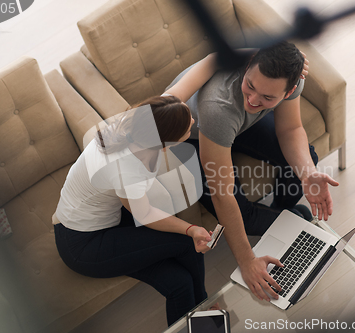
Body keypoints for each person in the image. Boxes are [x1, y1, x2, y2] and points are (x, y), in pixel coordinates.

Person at [52, 53, 219, 326]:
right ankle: (204, 307)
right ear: (165, 142)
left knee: (178, 283)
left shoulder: (140, 122)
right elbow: (144, 213)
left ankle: (200, 309)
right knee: (187, 243)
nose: (192, 123)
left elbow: (182, 90)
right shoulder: (126, 166)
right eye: (187, 128)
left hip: (106, 220)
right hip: (83, 244)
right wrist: (191, 230)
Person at [167, 41, 339, 303]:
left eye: (269, 97)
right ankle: (291, 219)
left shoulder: (292, 78)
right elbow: (223, 194)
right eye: (250, 85)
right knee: (241, 214)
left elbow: (290, 130)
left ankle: (284, 213)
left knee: (307, 163)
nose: (254, 99)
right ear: (247, 66)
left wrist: (307, 175)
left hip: (236, 125)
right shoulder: (219, 106)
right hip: (190, 137)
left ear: (289, 89)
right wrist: (247, 260)